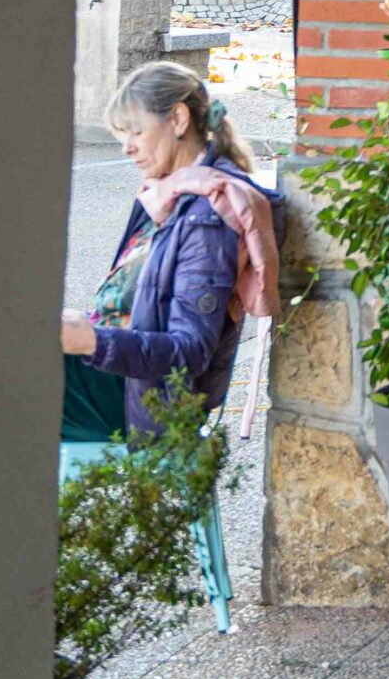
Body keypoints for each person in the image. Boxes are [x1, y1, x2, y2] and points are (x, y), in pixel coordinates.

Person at [61, 63, 284, 440]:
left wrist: (90, 339)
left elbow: (190, 351)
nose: (126, 147)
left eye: (136, 131)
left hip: (139, 397)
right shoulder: (170, 193)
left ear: (178, 119)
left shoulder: (208, 218)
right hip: (118, 374)